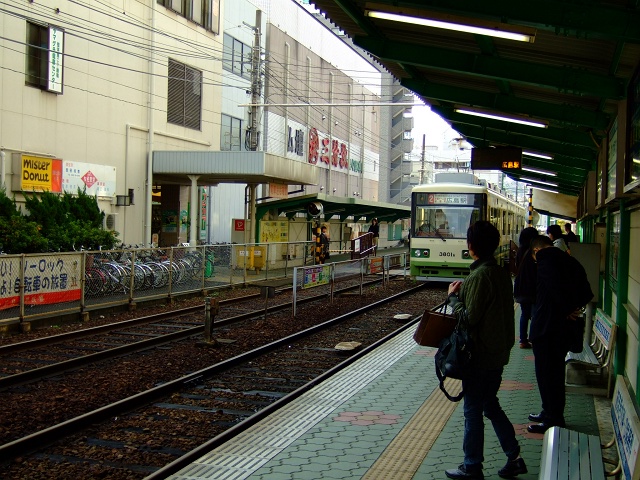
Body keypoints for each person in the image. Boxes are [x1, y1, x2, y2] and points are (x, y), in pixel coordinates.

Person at [444, 221, 527, 480]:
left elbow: (469, 318)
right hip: (498, 353)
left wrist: (453, 298)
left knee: (473, 411)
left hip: (480, 356)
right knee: (490, 405)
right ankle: (514, 456)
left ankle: (472, 466)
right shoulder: (501, 273)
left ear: (471, 246)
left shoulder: (479, 276)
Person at [527, 235, 594, 434]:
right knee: (554, 374)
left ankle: (553, 418)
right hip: (562, 331)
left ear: (536, 251)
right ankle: (548, 411)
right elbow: (587, 292)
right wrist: (574, 308)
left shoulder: (546, 263)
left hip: (547, 331)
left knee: (547, 376)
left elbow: (554, 290)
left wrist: (566, 309)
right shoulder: (570, 260)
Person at [513, 227, 539, 349]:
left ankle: (523, 340)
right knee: (534, 314)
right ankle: (534, 339)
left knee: (524, 314)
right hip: (532, 287)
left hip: (521, 286)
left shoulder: (520, 251)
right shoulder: (534, 252)